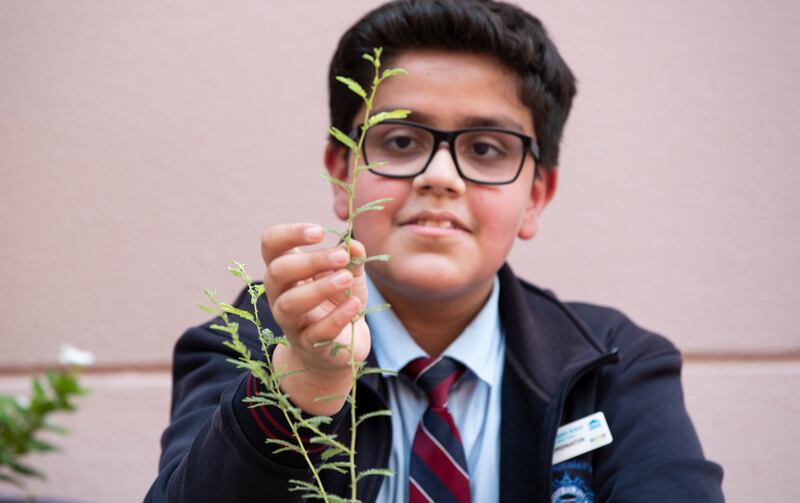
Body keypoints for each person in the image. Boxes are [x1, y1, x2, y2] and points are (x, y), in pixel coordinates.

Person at [146, 1, 724, 501]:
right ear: (341, 172)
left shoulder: (617, 367)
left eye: (487, 149)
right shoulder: (250, 342)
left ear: (536, 197)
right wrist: (300, 386)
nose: (440, 176)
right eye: (401, 140)